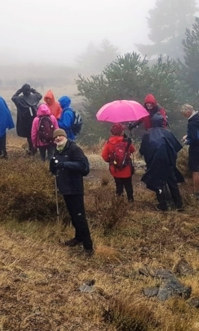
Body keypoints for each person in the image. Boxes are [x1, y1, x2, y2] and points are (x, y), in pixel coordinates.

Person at [50, 128, 93, 257]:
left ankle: (88, 247)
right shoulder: (57, 150)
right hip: (65, 188)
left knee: (80, 217)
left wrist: (64, 164)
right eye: (55, 137)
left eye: (60, 136)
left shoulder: (74, 149)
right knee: (73, 216)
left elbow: (84, 167)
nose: (58, 138)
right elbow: (54, 169)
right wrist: (53, 165)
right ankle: (78, 237)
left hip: (75, 188)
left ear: (65, 136)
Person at [140, 113, 184, 211]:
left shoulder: (147, 134)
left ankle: (163, 204)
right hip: (168, 162)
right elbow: (177, 147)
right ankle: (178, 203)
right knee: (172, 182)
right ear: (162, 122)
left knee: (157, 182)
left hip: (155, 163)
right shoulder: (168, 133)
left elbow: (143, 150)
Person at [181, 104, 199, 196]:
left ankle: (196, 192)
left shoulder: (192, 122)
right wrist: (188, 135)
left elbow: (196, 138)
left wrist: (187, 140)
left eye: (184, 113)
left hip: (195, 148)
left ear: (188, 111)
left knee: (195, 170)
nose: (184, 115)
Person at [101, 123, 136, 201]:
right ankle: (130, 200)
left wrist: (111, 161)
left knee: (118, 185)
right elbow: (133, 150)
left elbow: (104, 155)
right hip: (127, 168)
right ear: (121, 132)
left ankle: (119, 203)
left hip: (115, 169)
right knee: (128, 185)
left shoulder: (109, 142)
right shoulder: (126, 141)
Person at [12, 84, 42, 154]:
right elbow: (39, 95)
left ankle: (31, 148)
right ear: (29, 91)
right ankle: (34, 148)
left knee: (29, 135)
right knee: (34, 134)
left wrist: (19, 90)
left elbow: (13, 97)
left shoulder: (20, 99)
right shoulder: (34, 97)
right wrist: (33, 90)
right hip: (34, 118)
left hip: (24, 120)